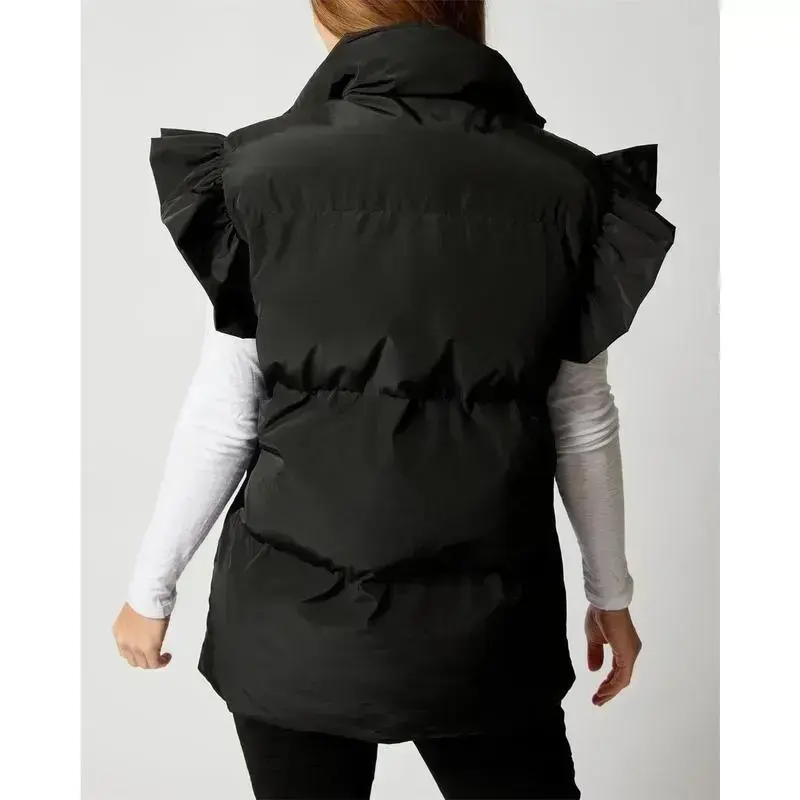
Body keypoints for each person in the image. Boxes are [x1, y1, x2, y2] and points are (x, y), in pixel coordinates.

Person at [112, 1, 675, 797]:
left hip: (292, 620)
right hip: (487, 625)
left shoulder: (258, 172)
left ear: (330, 19)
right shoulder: (568, 186)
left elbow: (224, 411)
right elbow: (581, 416)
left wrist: (150, 589)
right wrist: (609, 594)